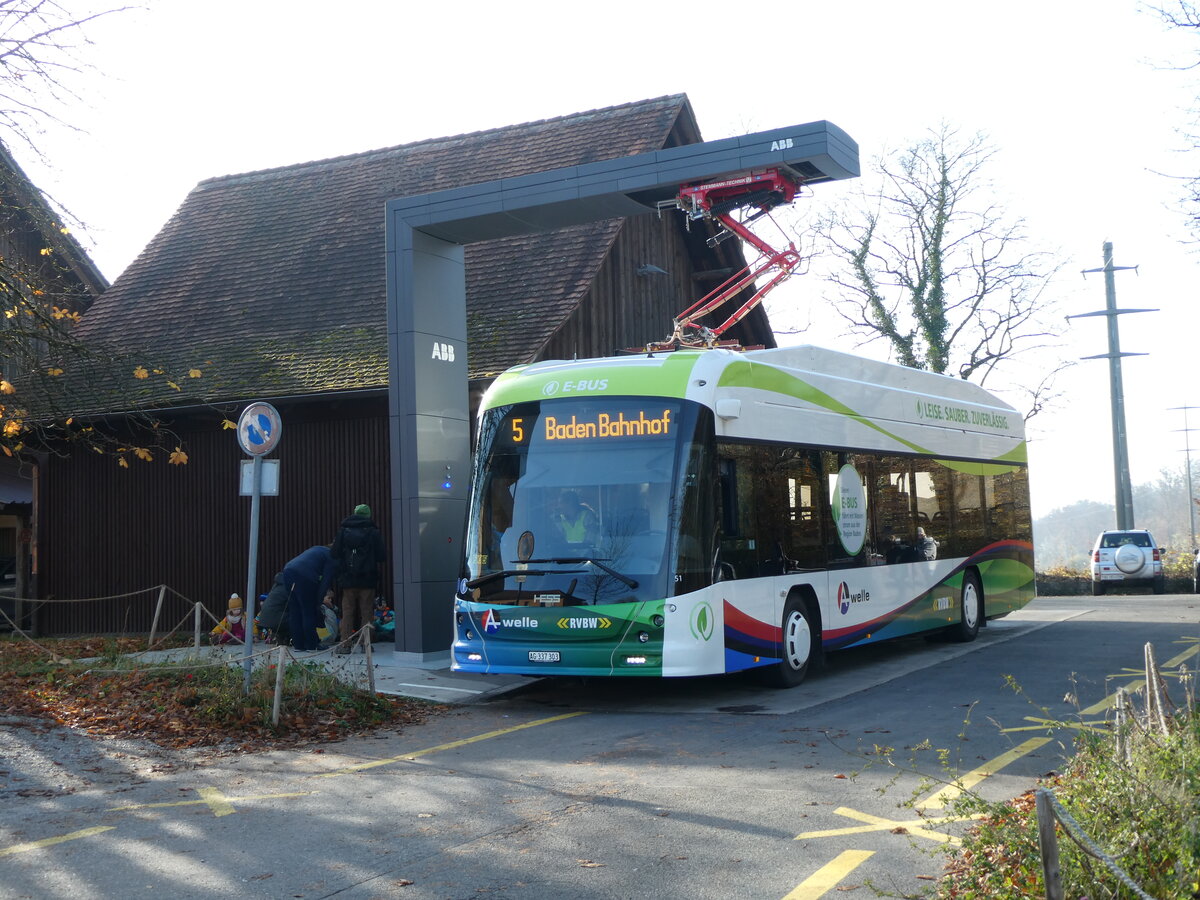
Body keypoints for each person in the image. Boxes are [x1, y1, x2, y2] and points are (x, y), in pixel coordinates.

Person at [331, 503, 386, 654]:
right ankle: (366, 644)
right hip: (368, 579)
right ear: (368, 515)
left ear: (354, 513)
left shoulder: (344, 530)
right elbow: (382, 555)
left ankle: (345, 644)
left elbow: (334, 553)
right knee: (367, 611)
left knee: (347, 611)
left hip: (348, 578)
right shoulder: (373, 531)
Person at [282, 545, 336, 652]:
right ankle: (312, 645)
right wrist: (318, 602)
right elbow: (325, 582)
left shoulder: (318, 549)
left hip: (288, 570)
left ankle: (298, 645)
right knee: (308, 611)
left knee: (295, 611)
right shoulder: (332, 557)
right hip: (305, 576)